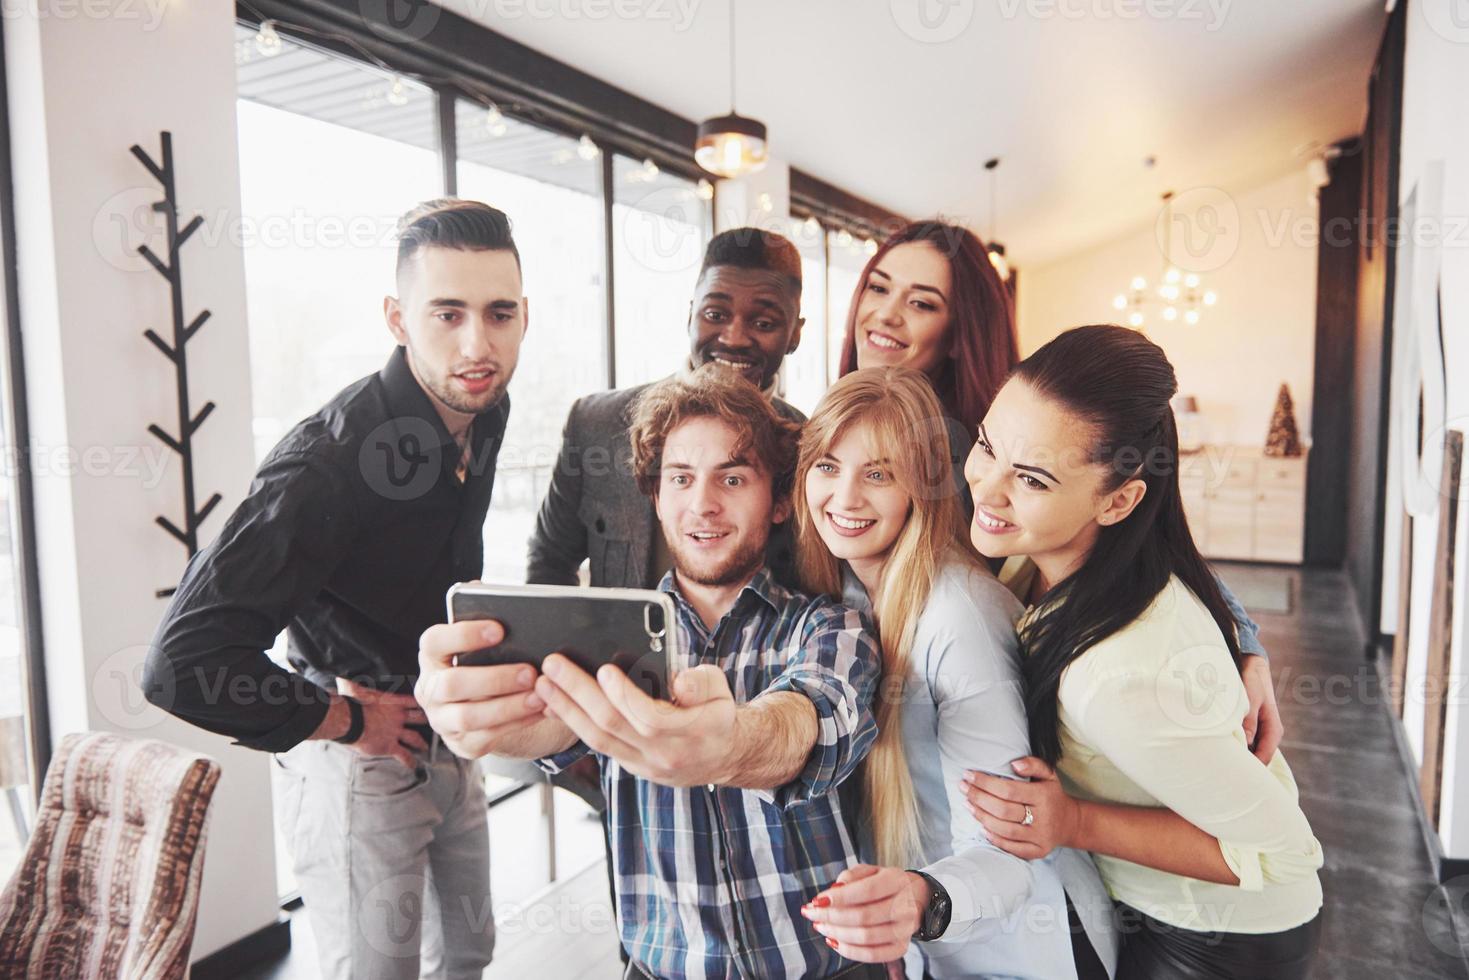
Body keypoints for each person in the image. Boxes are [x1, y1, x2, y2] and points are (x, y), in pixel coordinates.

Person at [144, 199, 526, 980]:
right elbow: (182, 662)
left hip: (446, 730)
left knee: (468, 956)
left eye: (499, 314)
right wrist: (346, 718)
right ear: (396, 317)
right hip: (357, 753)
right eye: (446, 314)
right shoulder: (326, 464)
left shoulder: (485, 409)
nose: (476, 344)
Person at [416, 366, 886, 979]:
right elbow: (554, 727)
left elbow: (817, 714)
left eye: (733, 477)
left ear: (778, 502)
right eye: (681, 478)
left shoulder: (829, 627)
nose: (704, 504)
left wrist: (733, 746)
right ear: (656, 498)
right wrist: (511, 725)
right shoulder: (604, 642)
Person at [836, 219, 1287, 769]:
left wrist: (1246, 643)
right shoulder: (837, 428)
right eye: (878, 287)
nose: (885, 313)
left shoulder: (998, 438)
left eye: (922, 303)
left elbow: (1147, 539)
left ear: (960, 333)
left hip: (983, 714)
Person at [959, 325, 1324, 979]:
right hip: (1133, 897)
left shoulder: (1119, 673)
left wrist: (1072, 821)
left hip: (1213, 934)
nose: (986, 488)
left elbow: (1283, 852)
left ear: (1120, 500)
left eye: (1033, 479)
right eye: (986, 445)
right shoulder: (1038, 562)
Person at [792, 367, 1116, 979]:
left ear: (923, 487)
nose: (846, 497)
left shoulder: (958, 616)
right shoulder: (838, 595)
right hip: (933, 946)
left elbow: (1008, 845)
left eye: (879, 474)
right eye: (828, 466)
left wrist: (917, 903)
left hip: (1020, 947)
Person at [527, 226, 807, 590]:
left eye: (764, 323)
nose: (734, 337)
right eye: (715, 314)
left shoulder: (807, 446)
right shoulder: (597, 423)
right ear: (691, 315)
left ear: (795, 335)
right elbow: (549, 560)